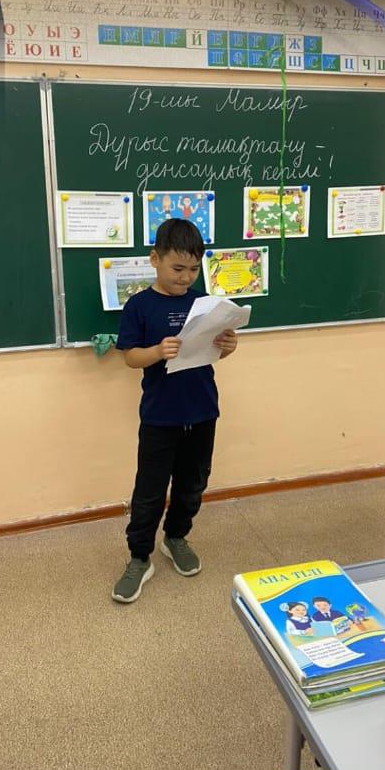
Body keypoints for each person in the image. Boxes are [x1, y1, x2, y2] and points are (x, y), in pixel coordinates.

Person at [112, 218, 238, 604]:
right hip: (160, 416)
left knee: (192, 483)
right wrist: (156, 351)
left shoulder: (204, 304)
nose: (185, 278)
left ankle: (176, 537)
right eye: (177, 268)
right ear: (155, 259)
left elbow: (212, 352)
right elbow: (131, 357)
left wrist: (227, 346)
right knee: (149, 491)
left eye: (194, 269)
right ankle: (139, 557)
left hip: (202, 410)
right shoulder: (139, 305)